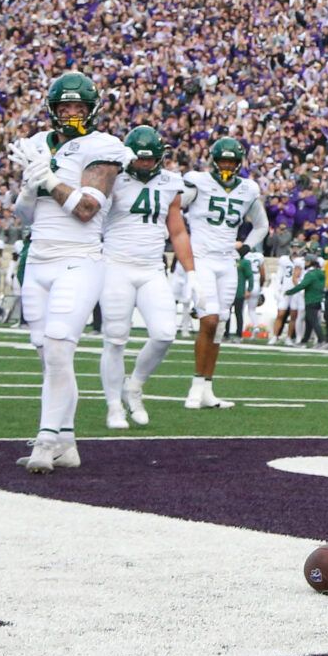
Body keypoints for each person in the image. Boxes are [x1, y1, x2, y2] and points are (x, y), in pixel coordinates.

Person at [10, 73, 132, 473]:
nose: (72, 114)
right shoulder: (39, 145)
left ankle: (45, 441)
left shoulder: (104, 146)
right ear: (53, 109)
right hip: (39, 258)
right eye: (65, 108)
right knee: (49, 358)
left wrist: (47, 177)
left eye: (79, 107)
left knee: (61, 346)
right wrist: (29, 190)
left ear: (92, 109)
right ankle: (67, 442)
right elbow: (22, 216)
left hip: (79, 258)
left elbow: (86, 209)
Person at [97, 125, 197, 430]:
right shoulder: (113, 178)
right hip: (115, 265)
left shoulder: (170, 183)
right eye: (140, 159)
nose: (144, 164)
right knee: (115, 339)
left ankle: (135, 387)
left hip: (152, 268)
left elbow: (177, 230)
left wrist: (191, 271)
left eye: (149, 159)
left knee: (165, 333)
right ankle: (114, 406)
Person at [175, 135, 268, 410]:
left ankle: (207, 388)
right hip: (202, 259)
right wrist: (181, 235)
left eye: (231, 160)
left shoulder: (248, 189)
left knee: (220, 328)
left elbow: (261, 226)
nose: (227, 165)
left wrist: (244, 249)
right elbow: (174, 206)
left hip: (227, 263)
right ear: (213, 161)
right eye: (223, 160)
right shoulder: (198, 181)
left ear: (239, 163)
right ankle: (194, 386)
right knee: (209, 321)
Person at [285, 255, 326, 346]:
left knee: (313, 321)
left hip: (310, 299)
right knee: (309, 321)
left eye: (306, 261)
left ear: (310, 262)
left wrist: (289, 292)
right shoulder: (320, 272)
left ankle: (321, 340)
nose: (305, 263)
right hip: (318, 299)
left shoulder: (310, 274)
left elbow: (302, 285)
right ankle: (304, 341)